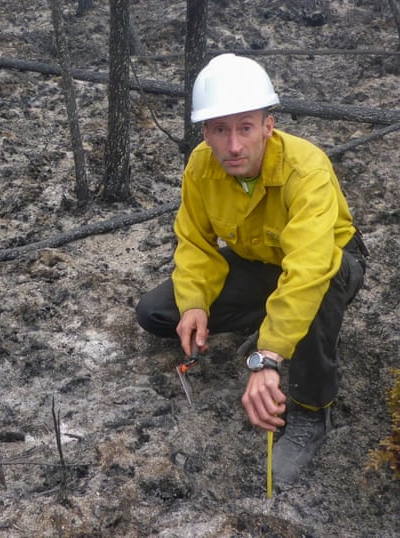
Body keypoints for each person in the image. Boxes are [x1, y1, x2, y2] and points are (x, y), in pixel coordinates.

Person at [136, 53, 367, 485]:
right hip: (262, 262)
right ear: (205, 132)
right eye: (220, 130)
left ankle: (312, 412)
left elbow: (308, 267)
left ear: (268, 126)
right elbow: (194, 243)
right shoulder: (201, 167)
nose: (234, 145)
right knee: (157, 314)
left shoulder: (306, 167)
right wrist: (194, 304)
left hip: (329, 264)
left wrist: (268, 357)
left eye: (245, 127)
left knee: (317, 287)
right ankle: (281, 320)